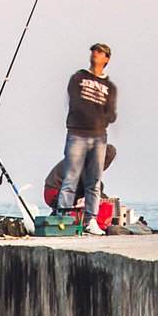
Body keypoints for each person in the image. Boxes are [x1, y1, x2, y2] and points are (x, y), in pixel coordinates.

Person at [53, 43, 117, 221]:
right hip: (76, 134)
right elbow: (75, 101)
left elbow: (111, 112)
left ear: (106, 58)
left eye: (100, 52)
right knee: (70, 178)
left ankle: (91, 220)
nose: (95, 54)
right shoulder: (78, 77)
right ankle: (63, 218)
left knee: (94, 182)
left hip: (98, 137)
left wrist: (103, 118)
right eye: (93, 51)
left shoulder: (110, 86)